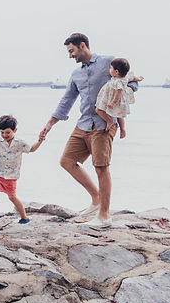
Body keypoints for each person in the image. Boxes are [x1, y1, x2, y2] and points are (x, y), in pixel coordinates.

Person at [37, 33, 139, 229]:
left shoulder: (109, 62)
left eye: (71, 51)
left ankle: (104, 216)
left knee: (101, 167)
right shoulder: (76, 74)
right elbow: (67, 100)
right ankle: (96, 197)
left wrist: (120, 97)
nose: (70, 56)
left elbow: (132, 80)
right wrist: (50, 124)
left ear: (82, 45)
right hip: (83, 123)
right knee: (66, 161)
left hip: (104, 124)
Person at [0, 114, 39, 225]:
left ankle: (24, 217)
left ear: (15, 130)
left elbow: (32, 149)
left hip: (10, 175)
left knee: (12, 197)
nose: (4, 135)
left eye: (7, 132)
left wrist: (40, 140)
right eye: (2, 132)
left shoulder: (20, 143)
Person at [94, 57, 142, 139]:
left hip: (111, 99)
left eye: (110, 68)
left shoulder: (117, 82)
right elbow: (133, 78)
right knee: (119, 114)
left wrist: (113, 102)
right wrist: (139, 79)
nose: (109, 69)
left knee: (98, 110)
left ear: (116, 72)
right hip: (120, 101)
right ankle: (122, 129)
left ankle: (109, 121)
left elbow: (118, 92)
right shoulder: (125, 78)